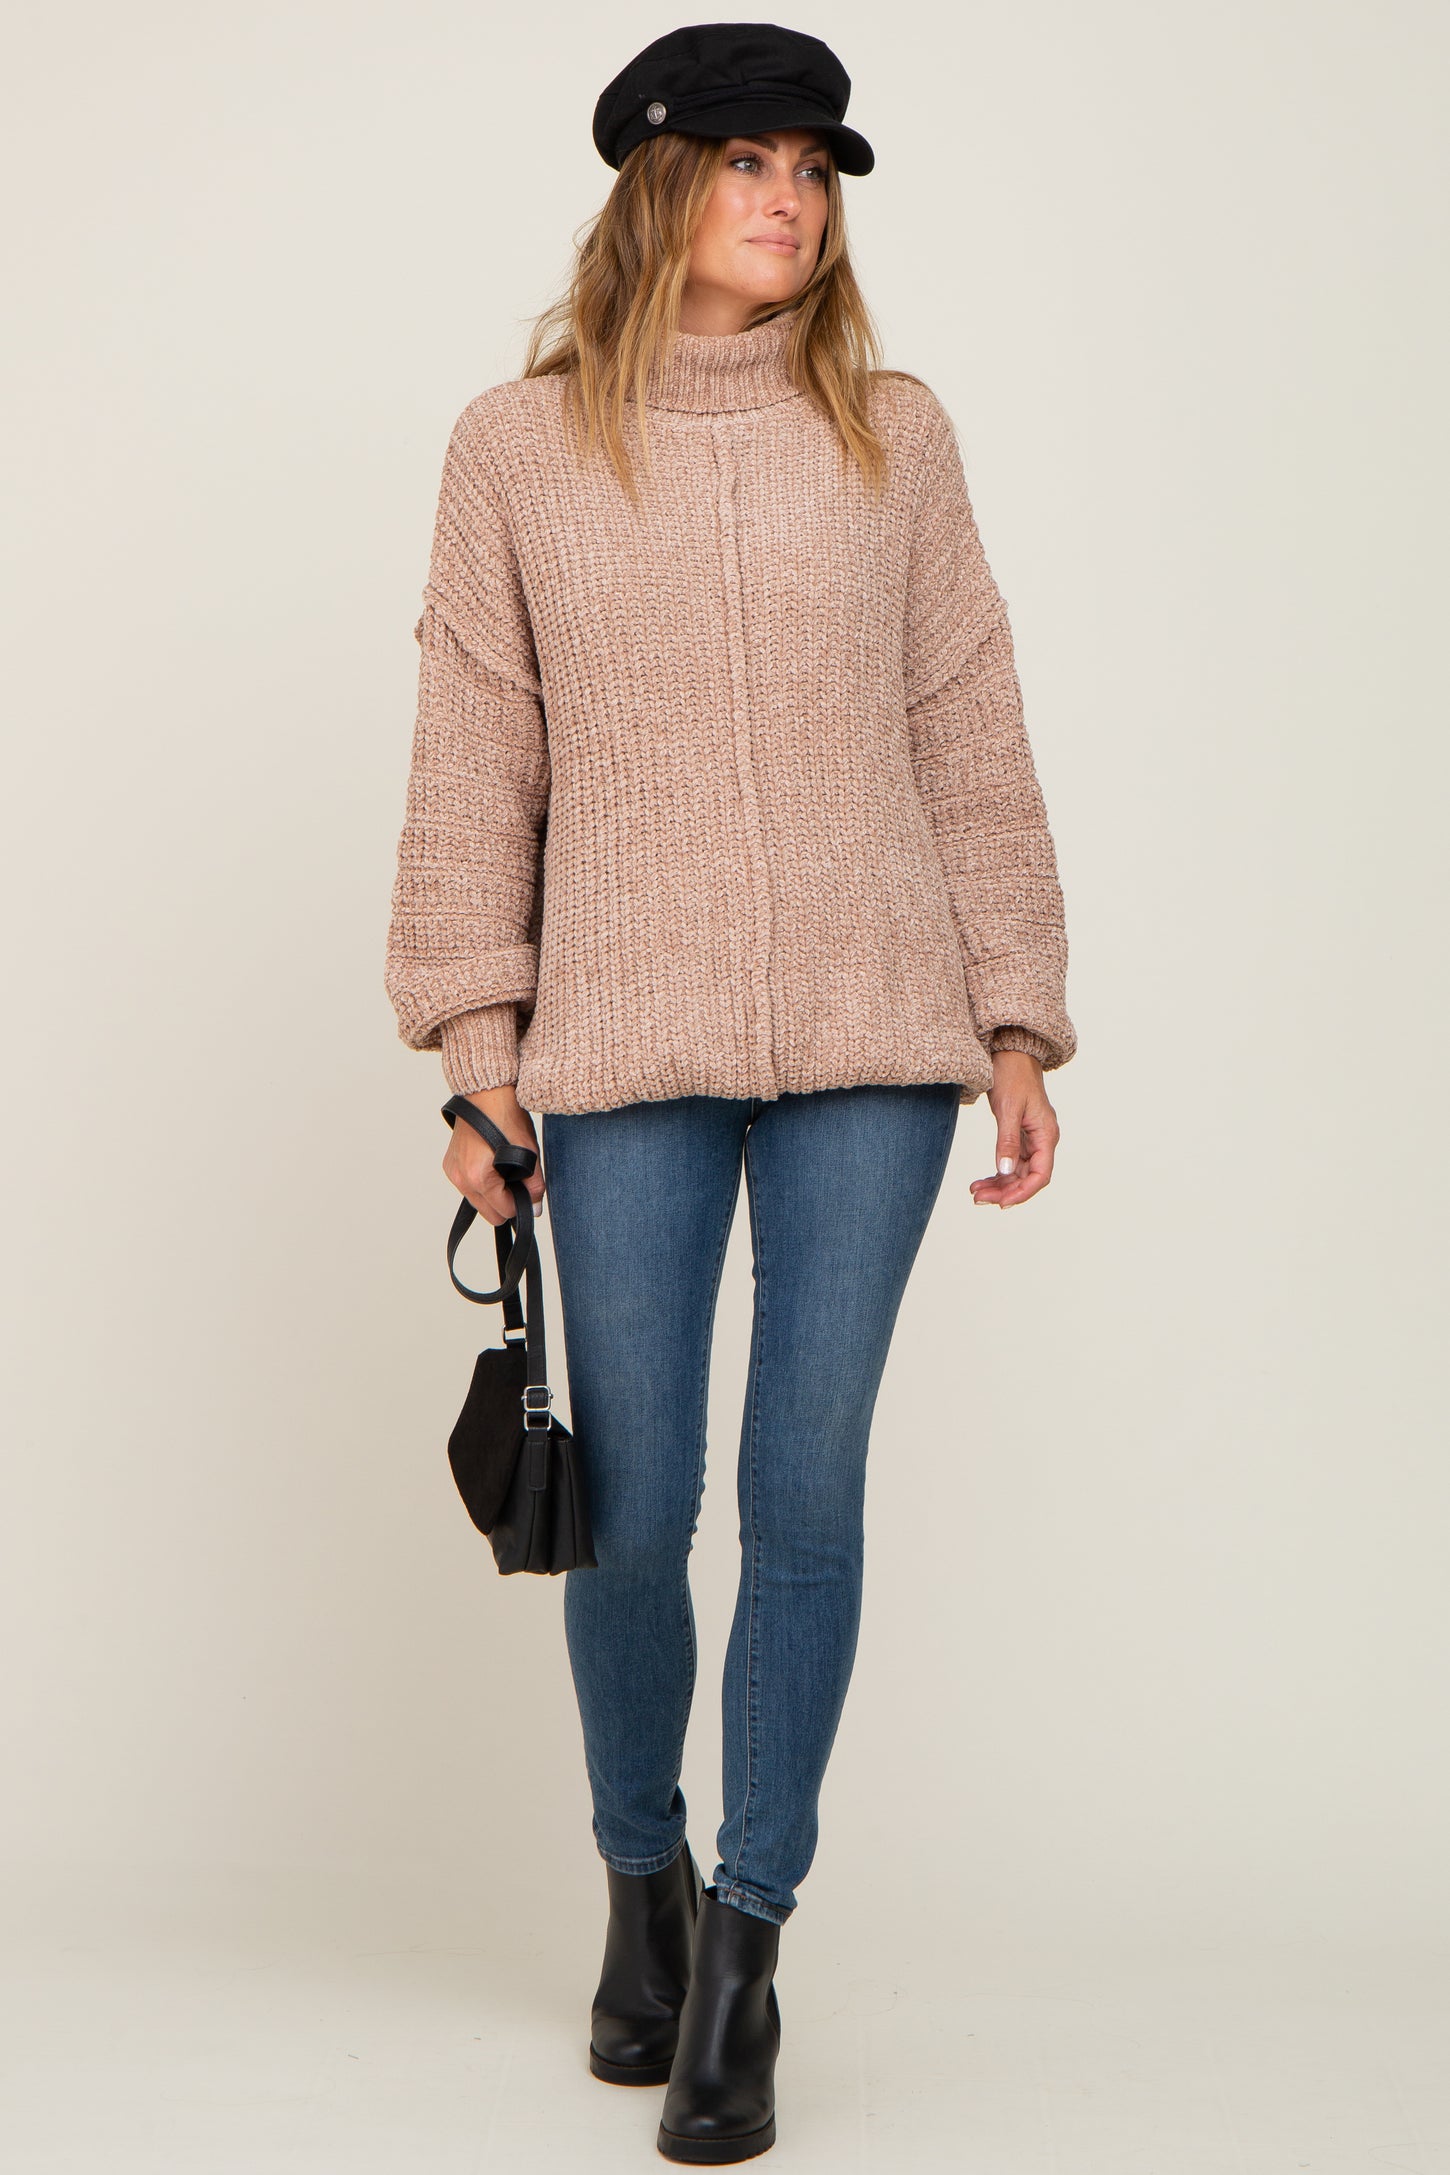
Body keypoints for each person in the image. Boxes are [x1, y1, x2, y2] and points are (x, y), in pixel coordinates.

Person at [384, 22, 1077, 2164]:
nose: (787, 197)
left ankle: (747, 1947)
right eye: (744, 160)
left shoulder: (894, 431)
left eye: (812, 166)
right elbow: (474, 760)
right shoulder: (516, 449)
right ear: (653, 188)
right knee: (636, 1503)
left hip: (880, 1037)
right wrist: (477, 1052)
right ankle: (640, 1885)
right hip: (615, 1046)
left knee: (805, 1496)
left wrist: (1015, 1015)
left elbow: (967, 722)